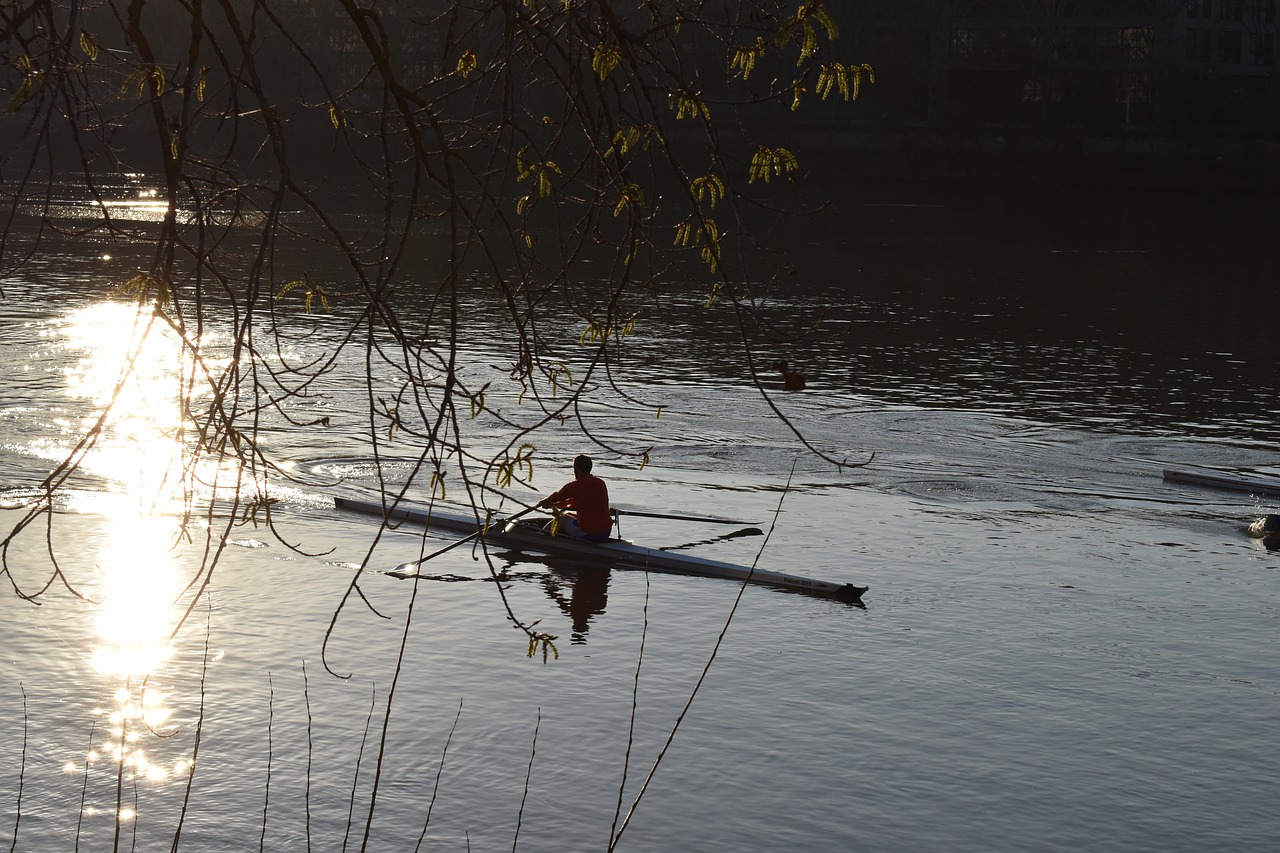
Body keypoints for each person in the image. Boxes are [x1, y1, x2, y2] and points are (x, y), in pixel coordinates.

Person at [538, 454, 613, 542]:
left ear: (576, 469)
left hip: (590, 533)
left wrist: (544, 502)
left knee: (561, 517)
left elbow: (557, 496)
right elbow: (576, 502)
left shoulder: (574, 486)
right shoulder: (600, 483)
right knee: (570, 514)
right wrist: (554, 505)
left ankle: (539, 537)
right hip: (606, 531)